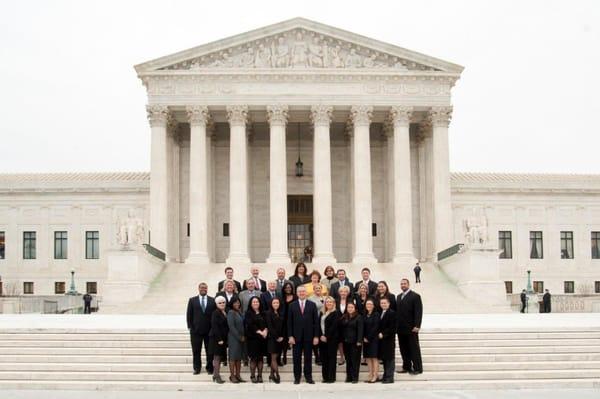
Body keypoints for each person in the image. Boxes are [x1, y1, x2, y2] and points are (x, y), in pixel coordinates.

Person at [287, 286, 319, 384]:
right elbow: (289, 322)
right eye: (300, 291)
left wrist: (316, 336)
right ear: (297, 293)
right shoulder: (292, 305)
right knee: (296, 359)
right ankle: (297, 378)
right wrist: (290, 336)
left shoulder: (312, 305)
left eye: (303, 291)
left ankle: (308, 377)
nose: (301, 293)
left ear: (306, 293)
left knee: (308, 358)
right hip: (296, 337)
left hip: (309, 337)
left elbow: (316, 322)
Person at [186, 282, 215, 375]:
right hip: (196, 332)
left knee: (210, 351)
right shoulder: (192, 300)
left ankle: (210, 368)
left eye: (205, 288)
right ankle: (197, 368)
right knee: (196, 351)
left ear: (207, 289)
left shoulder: (212, 300)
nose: (203, 289)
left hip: (209, 331)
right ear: (198, 289)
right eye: (202, 288)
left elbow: (214, 316)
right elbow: (189, 315)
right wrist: (191, 327)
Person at [396, 278, 423, 375]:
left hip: (411, 328)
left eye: (404, 284)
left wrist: (417, 325)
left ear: (408, 284)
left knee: (414, 348)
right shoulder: (398, 297)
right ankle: (406, 366)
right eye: (401, 284)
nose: (403, 285)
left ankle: (417, 368)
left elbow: (418, 312)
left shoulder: (415, 296)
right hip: (400, 328)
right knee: (403, 348)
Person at [245, 296, 268, 383]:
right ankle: (252, 376)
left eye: (257, 302)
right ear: (251, 304)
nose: (255, 303)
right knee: (254, 358)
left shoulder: (263, 313)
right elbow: (250, 325)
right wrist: (259, 332)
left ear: (259, 303)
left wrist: (266, 330)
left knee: (260, 358)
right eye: (253, 302)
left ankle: (260, 376)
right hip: (253, 339)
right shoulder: (248, 313)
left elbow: (266, 323)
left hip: (262, 339)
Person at [339, 302, 363, 383]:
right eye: (348, 307)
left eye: (351, 307)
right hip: (346, 342)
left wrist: (359, 341)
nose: (350, 309)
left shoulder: (359, 317)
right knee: (348, 360)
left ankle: (355, 378)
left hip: (355, 343)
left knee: (355, 360)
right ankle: (349, 377)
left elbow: (360, 330)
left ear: (354, 308)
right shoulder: (344, 317)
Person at [319, 296, 340, 383]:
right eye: (327, 302)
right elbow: (318, 325)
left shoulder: (336, 313)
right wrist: (321, 335)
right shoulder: (322, 313)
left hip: (332, 339)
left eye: (330, 302)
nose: (329, 303)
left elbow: (334, 327)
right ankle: (325, 377)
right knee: (324, 358)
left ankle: (331, 378)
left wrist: (326, 336)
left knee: (331, 358)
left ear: (334, 303)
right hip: (322, 339)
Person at [208, 296, 229, 384]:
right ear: (216, 304)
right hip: (216, 339)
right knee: (217, 357)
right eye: (220, 303)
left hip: (223, 339)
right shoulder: (215, 313)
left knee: (220, 358)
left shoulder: (226, 311)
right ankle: (217, 376)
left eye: (223, 302)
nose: (222, 304)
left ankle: (215, 375)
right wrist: (219, 339)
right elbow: (215, 327)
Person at [265, 297, 285, 384]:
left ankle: (271, 375)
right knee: (273, 358)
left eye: (277, 303)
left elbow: (283, 326)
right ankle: (277, 375)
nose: (276, 304)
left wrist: (282, 337)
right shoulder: (268, 313)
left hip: (280, 339)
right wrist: (277, 337)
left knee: (276, 357)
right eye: (274, 303)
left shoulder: (281, 313)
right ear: (271, 304)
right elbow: (270, 327)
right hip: (272, 339)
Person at [378, 297, 397, 383]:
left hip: (389, 340)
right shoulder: (381, 312)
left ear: (388, 304)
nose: (383, 304)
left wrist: (383, 334)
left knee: (390, 359)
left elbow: (393, 328)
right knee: (385, 359)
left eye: (385, 303)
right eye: (382, 303)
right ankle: (385, 375)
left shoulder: (392, 313)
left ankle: (390, 377)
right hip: (382, 341)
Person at [226, 297, 245, 383]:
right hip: (234, 338)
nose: (237, 304)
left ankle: (238, 375)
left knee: (239, 357)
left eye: (238, 303)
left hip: (241, 338)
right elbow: (231, 327)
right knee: (233, 357)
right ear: (231, 304)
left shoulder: (239, 312)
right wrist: (239, 337)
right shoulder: (230, 312)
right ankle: (232, 376)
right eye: (235, 303)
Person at [362, 298, 380, 383]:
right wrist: (363, 337)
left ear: (373, 306)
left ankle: (376, 375)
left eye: (370, 304)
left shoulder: (376, 314)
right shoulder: (364, 314)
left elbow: (375, 327)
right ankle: (370, 374)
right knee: (368, 358)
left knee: (374, 358)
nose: (368, 306)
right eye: (367, 304)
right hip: (365, 340)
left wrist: (368, 338)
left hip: (373, 339)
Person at [335, 285, 353, 365]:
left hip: (348, 324)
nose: (343, 293)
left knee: (348, 341)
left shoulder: (351, 300)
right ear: (339, 292)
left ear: (348, 293)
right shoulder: (336, 301)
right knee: (340, 342)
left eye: (345, 291)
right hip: (338, 325)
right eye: (341, 291)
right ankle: (342, 358)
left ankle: (349, 357)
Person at [280, 281, 296, 366]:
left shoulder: (295, 297)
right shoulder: (281, 297)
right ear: (284, 289)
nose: (288, 289)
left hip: (294, 320)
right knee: (285, 339)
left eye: (289, 287)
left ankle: (295, 356)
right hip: (284, 320)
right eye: (286, 287)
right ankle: (284, 356)